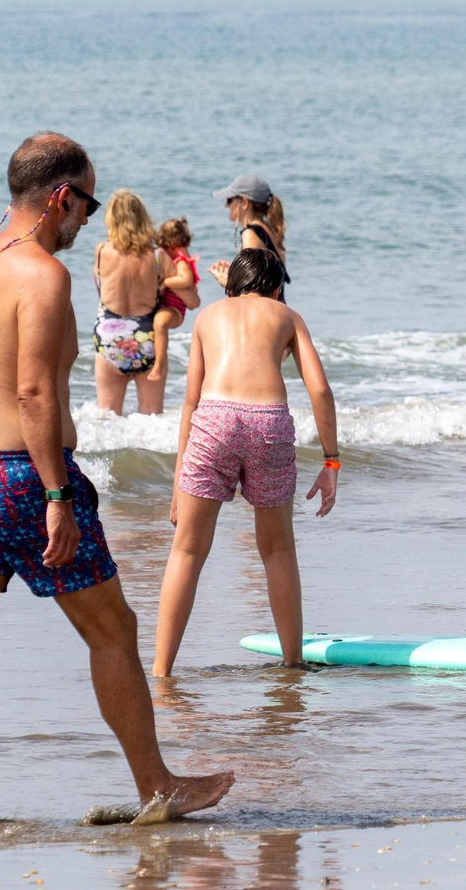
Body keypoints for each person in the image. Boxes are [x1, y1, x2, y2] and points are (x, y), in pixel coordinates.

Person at [0, 133, 233, 831]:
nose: (87, 222)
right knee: (114, 630)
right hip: (26, 479)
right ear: (60, 197)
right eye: (86, 205)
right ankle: (159, 786)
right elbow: (35, 394)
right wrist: (59, 497)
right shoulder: (42, 276)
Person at [153, 248, 339, 677]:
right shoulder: (286, 316)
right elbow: (322, 392)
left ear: (232, 285)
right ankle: (293, 662)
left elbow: (190, 402)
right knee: (277, 549)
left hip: (213, 419)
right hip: (268, 422)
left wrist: (179, 479)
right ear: (276, 288)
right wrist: (331, 462)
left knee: (187, 550)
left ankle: (161, 672)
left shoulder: (206, 318)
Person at [91, 189, 183, 415]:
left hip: (109, 338)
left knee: (108, 419)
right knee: (152, 418)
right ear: (142, 217)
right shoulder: (158, 255)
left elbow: (99, 288)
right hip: (147, 338)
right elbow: (182, 291)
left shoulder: (102, 250)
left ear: (111, 219)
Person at [207, 174, 290, 301]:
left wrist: (226, 281)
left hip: (264, 311)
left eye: (229, 200)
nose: (226, 206)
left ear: (244, 203)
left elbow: (251, 290)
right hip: (277, 306)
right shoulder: (268, 229)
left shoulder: (251, 233)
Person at [151, 216, 201, 386]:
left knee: (160, 323)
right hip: (168, 305)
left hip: (175, 308)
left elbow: (186, 281)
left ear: (171, 246)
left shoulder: (180, 262)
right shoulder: (178, 260)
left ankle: (158, 365)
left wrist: (164, 282)